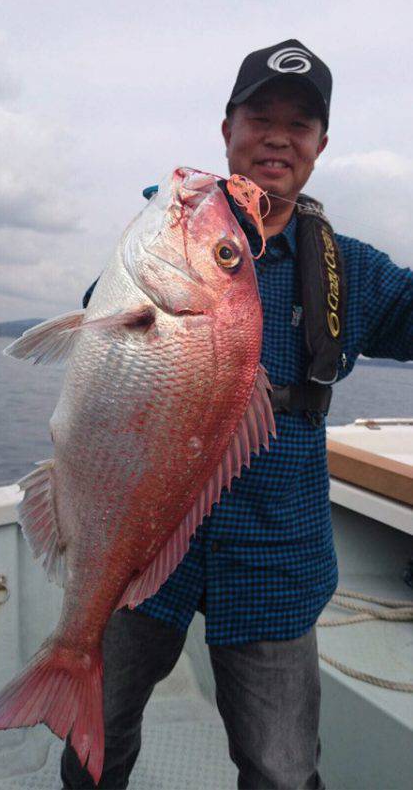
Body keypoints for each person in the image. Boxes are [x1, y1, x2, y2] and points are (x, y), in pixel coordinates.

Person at [61, 39, 413, 789]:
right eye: (260, 116)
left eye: (301, 123)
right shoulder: (169, 235)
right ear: (227, 129)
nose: (278, 136)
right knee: (96, 742)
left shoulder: (349, 270)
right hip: (141, 558)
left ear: (321, 145)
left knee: (282, 769)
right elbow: (101, 332)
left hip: (276, 562)